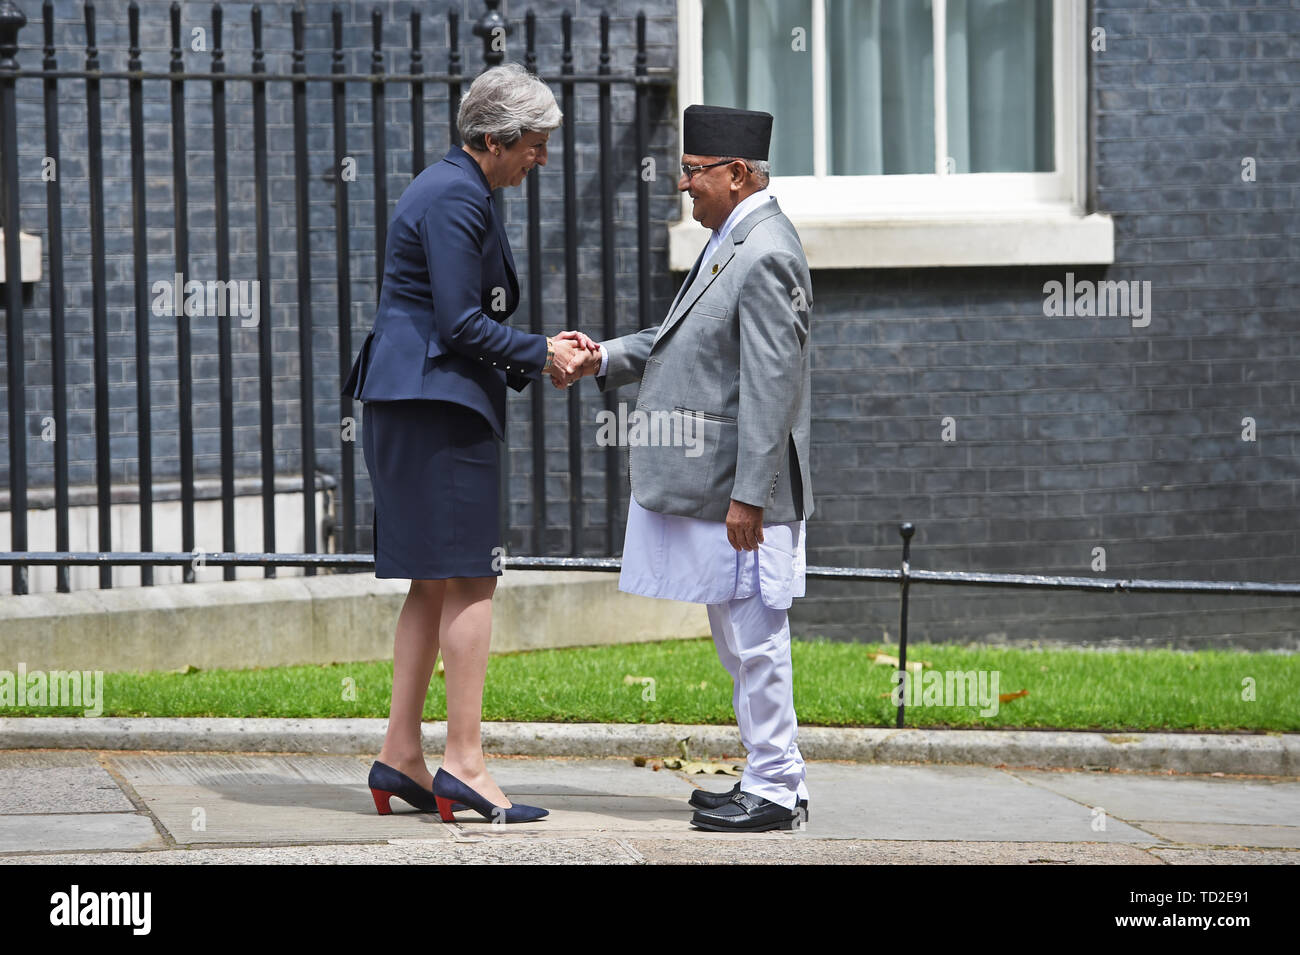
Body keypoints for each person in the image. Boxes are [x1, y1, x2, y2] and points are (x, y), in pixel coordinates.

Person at [342, 63, 596, 824]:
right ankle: (465, 763)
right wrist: (541, 350)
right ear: (494, 138)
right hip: (438, 410)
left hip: (413, 402)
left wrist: (531, 352)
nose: (541, 159)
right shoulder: (457, 194)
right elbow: (458, 323)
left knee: (432, 578)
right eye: (534, 145)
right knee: (471, 578)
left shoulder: (452, 186)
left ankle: (401, 756)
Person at [558, 105, 814, 832]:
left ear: (737, 174)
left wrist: (750, 497)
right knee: (737, 637)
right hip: (719, 487)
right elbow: (681, 340)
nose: (683, 185)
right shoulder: (734, 237)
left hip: (740, 491)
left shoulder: (765, 251)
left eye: (695, 172)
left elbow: (773, 386)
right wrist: (602, 355)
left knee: (757, 637)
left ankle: (774, 785)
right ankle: (773, 774)